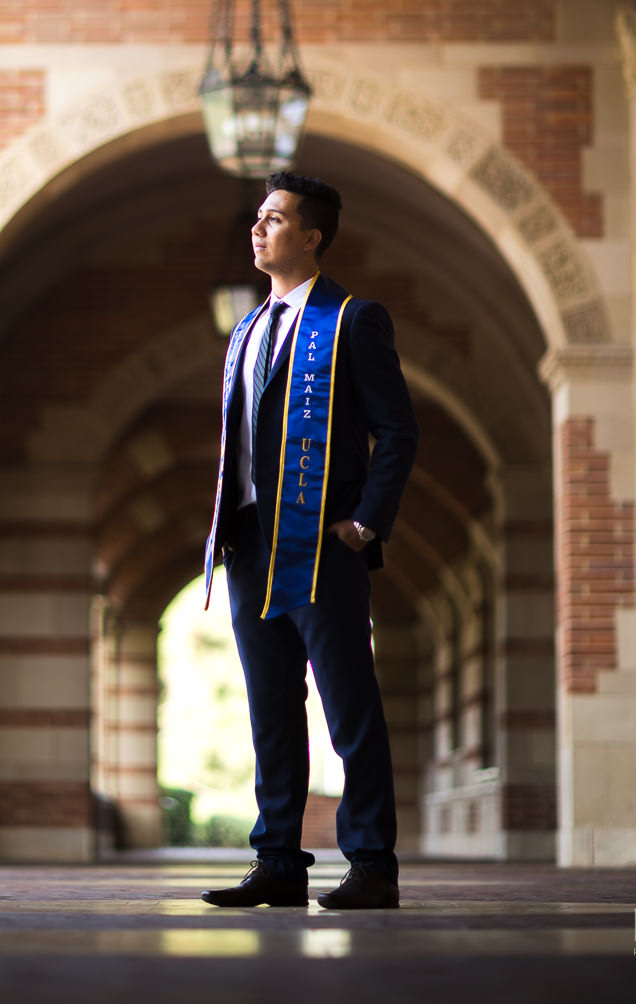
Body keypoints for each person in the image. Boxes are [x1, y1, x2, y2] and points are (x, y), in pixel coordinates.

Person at [201, 171, 419, 910]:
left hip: (323, 542)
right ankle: (278, 863)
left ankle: (371, 865)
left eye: (275, 218)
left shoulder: (354, 320)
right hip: (251, 543)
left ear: (312, 235)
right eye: (257, 218)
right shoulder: (246, 330)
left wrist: (364, 522)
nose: (258, 229)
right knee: (269, 707)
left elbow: (397, 429)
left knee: (347, 705)